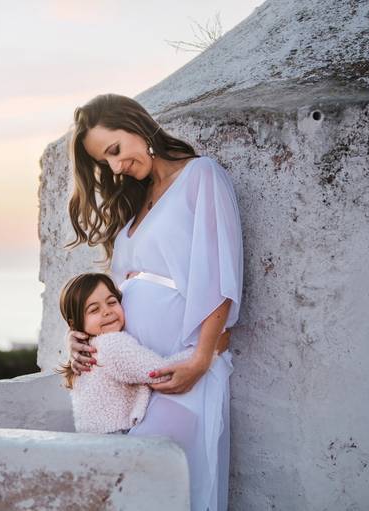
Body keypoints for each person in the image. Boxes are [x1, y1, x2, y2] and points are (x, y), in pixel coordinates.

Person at [65, 93, 243, 511]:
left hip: (184, 369)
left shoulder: (201, 176)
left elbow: (220, 274)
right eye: (104, 163)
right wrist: (79, 339)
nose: (115, 167)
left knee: (165, 488)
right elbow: (113, 296)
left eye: (114, 150)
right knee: (139, 493)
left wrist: (200, 359)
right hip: (135, 384)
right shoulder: (133, 207)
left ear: (136, 125)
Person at [56, 272, 215, 435]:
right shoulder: (110, 345)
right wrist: (207, 349)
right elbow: (160, 373)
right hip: (115, 439)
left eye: (112, 302)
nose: (107, 311)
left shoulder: (86, 346)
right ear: (74, 322)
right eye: (94, 310)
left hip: (95, 441)